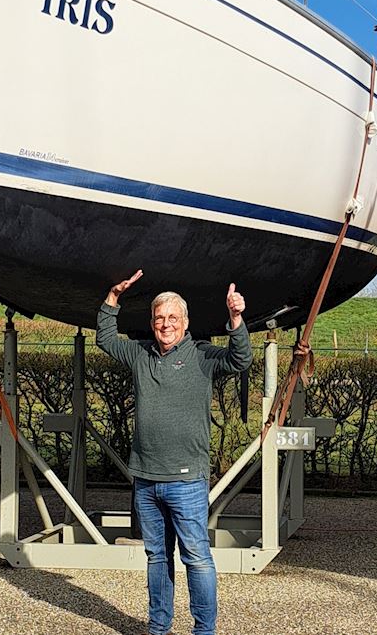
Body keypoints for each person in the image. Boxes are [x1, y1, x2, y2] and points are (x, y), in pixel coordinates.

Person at [97, 270, 251, 635]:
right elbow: (105, 339)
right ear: (152, 323)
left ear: (185, 323)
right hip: (146, 479)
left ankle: (204, 630)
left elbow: (239, 359)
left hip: (186, 481)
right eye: (160, 318)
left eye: (173, 318)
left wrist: (235, 319)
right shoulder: (139, 355)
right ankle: (158, 626)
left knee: (196, 558)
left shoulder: (202, 356)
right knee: (156, 558)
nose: (166, 325)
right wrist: (112, 297)